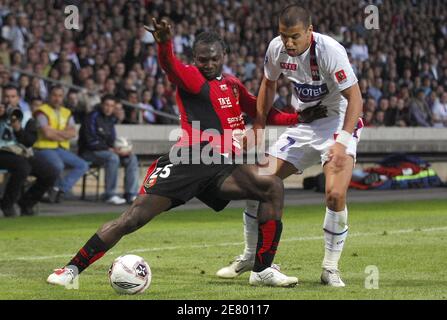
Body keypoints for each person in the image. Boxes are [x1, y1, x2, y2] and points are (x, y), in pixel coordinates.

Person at [47, 18, 327, 288]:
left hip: (221, 165)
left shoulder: (231, 84)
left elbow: (261, 112)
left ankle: (263, 269)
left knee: (271, 186)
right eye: (202, 59)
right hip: (189, 160)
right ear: (195, 59)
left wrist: (299, 118)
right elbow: (171, 68)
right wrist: (164, 44)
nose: (208, 64)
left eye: (213, 59)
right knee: (132, 219)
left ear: (224, 56)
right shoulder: (192, 78)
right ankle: (70, 269)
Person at [216, 5, 363, 287]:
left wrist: (343, 142)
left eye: (295, 36)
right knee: (257, 181)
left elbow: (355, 99)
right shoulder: (277, 49)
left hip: (337, 123)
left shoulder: (330, 51)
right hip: (305, 125)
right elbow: (268, 85)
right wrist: (259, 125)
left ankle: (330, 268)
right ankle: (251, 255)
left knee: (334, 194)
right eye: (284, 36)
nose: (289, 43)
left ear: (310, 31)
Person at [78, 95, 140, 205]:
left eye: (111, 106)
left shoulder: (110, 119)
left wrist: (122, 150)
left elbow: (111, 140)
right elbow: (90, 142)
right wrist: (112, 150)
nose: (108, 108)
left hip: (106, 151)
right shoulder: (92, 117)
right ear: (102, 105)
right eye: (106, 105)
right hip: (88, 152)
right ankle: (110, 195)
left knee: (131, 157)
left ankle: (131, 194)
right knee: (113, 158)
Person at [0, 101, 58, 217]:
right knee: (22, 166)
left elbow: (29, 142)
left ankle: (26, 203)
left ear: (18, 98)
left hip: (20, 152)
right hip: (2, 151)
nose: (9, 100)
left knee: (50, 172)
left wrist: (18, 129)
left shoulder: (26, 116)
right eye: (6, 97)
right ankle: (7, 205)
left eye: (12, 97)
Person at [33, 85, 89, 203]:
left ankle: (58, 189)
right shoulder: (41, 111)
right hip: (43, 148)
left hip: (60, 149)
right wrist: (63, 133)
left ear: (63, 97)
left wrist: (55, 133)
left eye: (60, 96)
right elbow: (47, 134)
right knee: (58, 166)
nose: (57, 99)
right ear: (49, 96)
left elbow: (73, 133)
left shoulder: (66, 112)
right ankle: (53, 192)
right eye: (54, 95)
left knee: (82, 165)